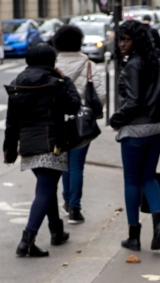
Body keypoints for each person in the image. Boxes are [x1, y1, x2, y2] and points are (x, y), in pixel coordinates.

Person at [3, 43, 81, 257]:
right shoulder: (54, 83)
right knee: (45, 191)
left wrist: (10, 150)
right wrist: (66, 80)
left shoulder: (17, 83)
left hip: (28, 146)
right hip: (52, 145)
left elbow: (11, 121)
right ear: (51, 63)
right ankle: (26, 241)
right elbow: (74, 105)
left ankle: (56, 231)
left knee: (47, 188)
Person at [110, 20, 160, 252]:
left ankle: (134, 236)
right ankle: (159, 223)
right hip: (157, 127)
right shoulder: (154, 62)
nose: (121, 44)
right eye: (119, 39)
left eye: (126, 40)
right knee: (149, 178)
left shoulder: (133, 65)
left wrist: (116, 119)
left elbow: (133, 102)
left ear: (136, 41)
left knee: (132, 181)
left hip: (136, 130)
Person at [53, 25, 105, 225]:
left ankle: (66, 200)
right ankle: (75, 207)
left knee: (63, 162)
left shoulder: (52, 64)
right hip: (81, 121)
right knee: (76, 165)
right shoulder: (89, 65)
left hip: (58, 121)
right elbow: (100, 95)